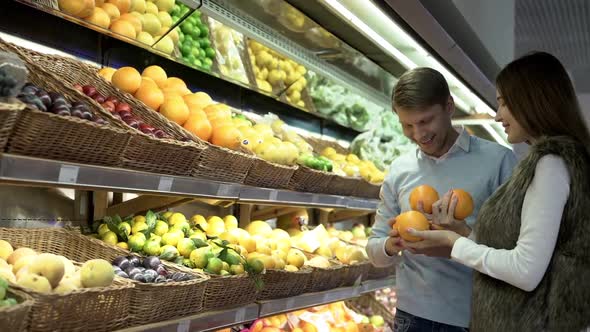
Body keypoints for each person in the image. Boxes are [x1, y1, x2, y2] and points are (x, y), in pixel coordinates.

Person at [404, 52, 590, 332]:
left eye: (504, 102)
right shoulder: (552, 160)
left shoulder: (551, 164)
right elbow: (527, 248)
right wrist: (463, 233)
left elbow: (525, 270)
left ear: (532, 100)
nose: (497, 114)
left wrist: (453, 245)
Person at [366, 67, 517, 331]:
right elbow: (374, 251)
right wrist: (392, 245)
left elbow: (515, 250)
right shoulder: (400, 170)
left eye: (425, 121)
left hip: (476, 317)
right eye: (407, 125)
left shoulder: (499, 161)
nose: (418, 134)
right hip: (413, 317)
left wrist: (463, 236)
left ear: (449, 106)